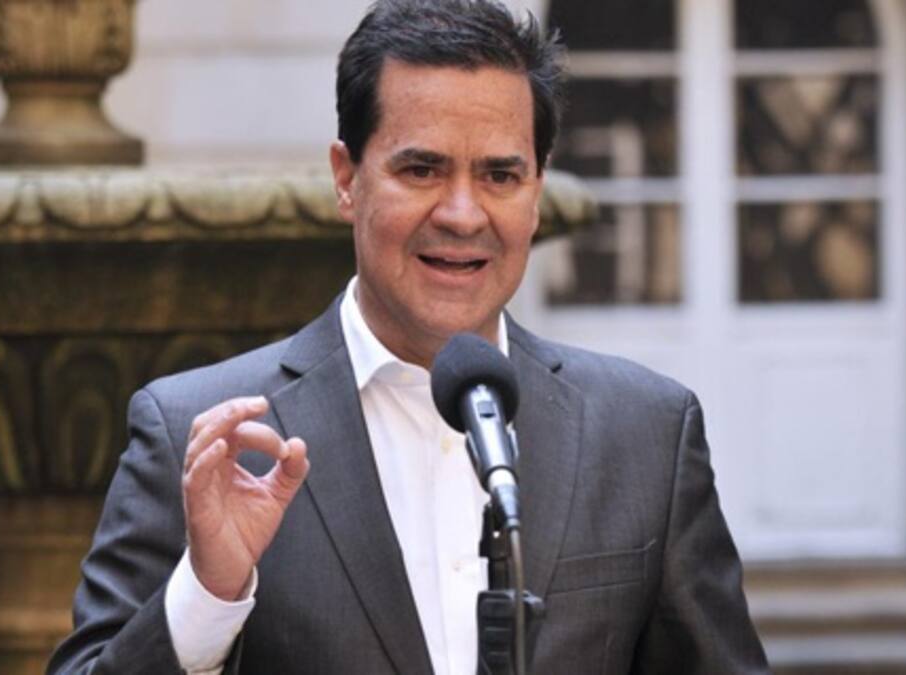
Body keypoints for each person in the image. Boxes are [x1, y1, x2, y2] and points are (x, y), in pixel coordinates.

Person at [48, 0, 768, 673]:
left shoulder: (647, 433)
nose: (462, 214)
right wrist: (207, 596)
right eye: (422, 169)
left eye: (500, 175)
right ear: (346, 179)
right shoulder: (199, 434)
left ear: (537, 192)